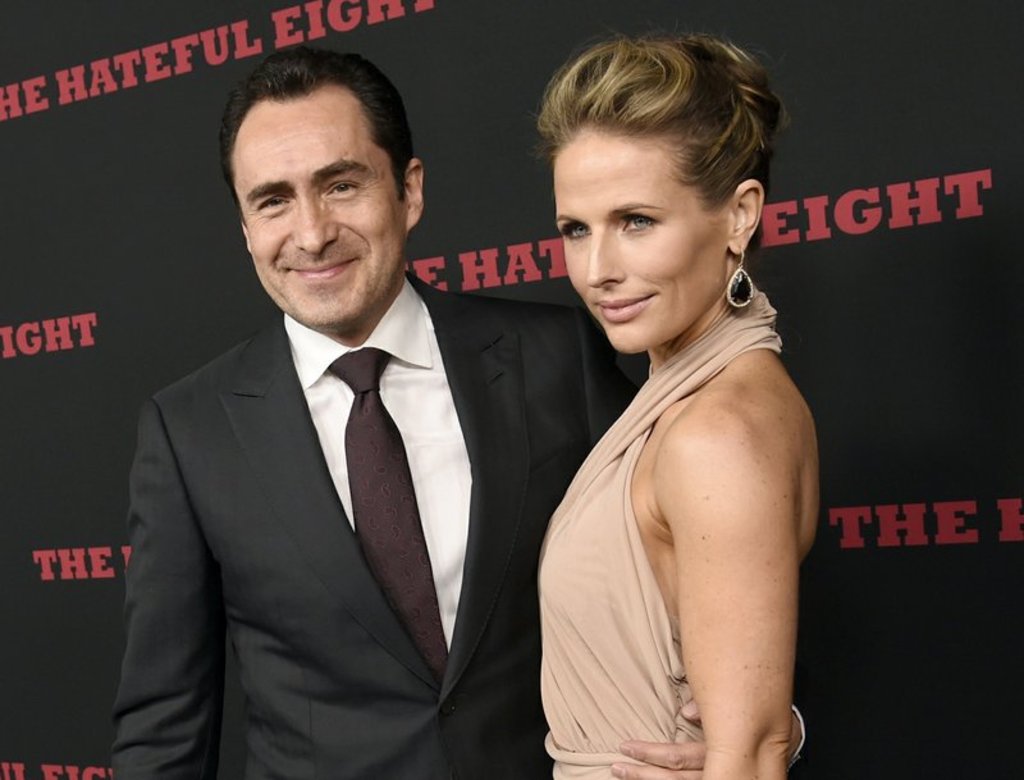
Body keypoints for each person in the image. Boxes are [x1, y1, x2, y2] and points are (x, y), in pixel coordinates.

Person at [111, 45, 758, 779]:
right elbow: (165, 727)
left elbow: (712, 571)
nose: (312, 233)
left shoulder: (557, 356)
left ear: (408, 192)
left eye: (341, 185)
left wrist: (760, 732)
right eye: (273, 201)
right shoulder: (190, 431)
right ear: (245, 227)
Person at [535, 34, 818, 780]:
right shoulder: (704, 396)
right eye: (576, 230)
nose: (598, 270)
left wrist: (755, 743)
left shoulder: (716, 432)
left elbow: (752, 753)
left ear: (739, 215)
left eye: (637, 221)